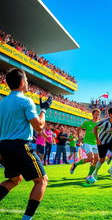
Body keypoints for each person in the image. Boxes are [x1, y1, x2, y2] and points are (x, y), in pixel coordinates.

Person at [0, 68, 52, 220]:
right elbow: (39, 126)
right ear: (22, 82)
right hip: (20, 146)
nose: (28, 83)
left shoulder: (2, 103)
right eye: (27, 81)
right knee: (42, 180)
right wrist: (44, 109)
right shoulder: (26, 101)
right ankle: (26, 219)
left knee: (14, 179)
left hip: (4, 146)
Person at [70, 109, 101, 176]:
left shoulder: (99, 124)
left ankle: (89, 176)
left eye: (98, 115)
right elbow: (79, 128)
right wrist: (79, 136)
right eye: (95, 114)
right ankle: (75, 165)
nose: (97, 116)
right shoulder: (87, 123)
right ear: (92, 115)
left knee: (96, 160)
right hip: (87, 143)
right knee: (91, 158)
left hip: (95, 143)